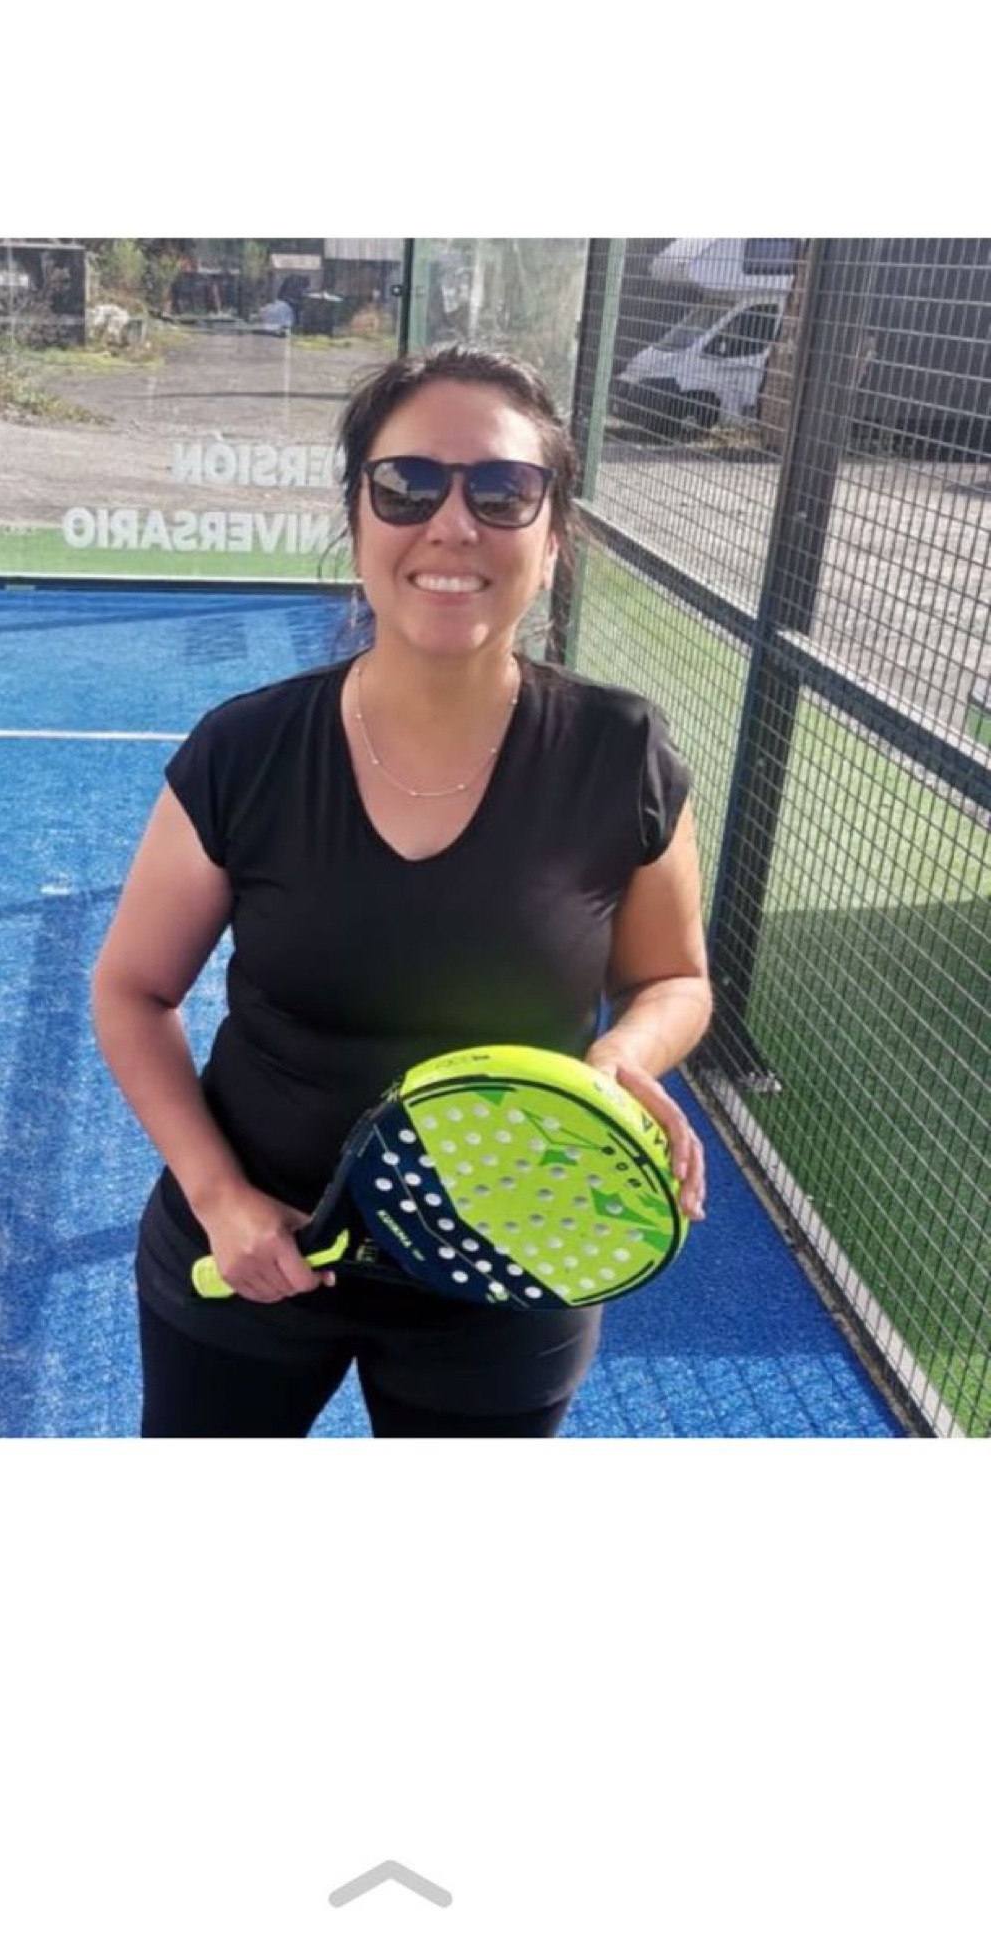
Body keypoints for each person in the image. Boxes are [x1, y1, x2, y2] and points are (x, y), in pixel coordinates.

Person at [92, 343, 713, 1437]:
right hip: (253, 1255)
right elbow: (132, 991)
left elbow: (675, 977)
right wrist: (219, 1197)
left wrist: (621, 1059)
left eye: (504, 490)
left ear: (553, 537)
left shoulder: (621, 751)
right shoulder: (246, 749)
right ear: (358, 517)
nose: (452, 523)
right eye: (408, 484)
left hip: (513, 1272)